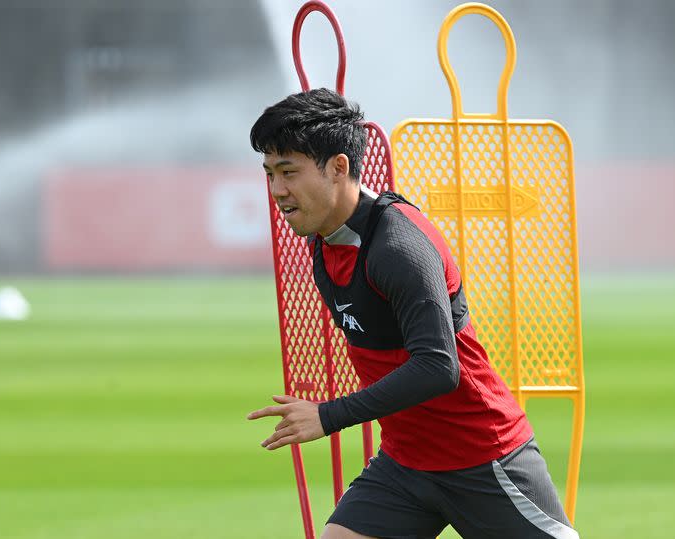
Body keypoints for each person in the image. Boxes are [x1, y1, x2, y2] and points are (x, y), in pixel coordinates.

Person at [247, 88, 578, 539]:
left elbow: (438, 367)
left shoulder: (399, 246)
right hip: (405, 464)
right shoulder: (321, 241)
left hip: (483, 456)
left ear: (339, 167)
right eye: (269, 174)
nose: (277, 191)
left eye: (288, 172)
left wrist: (328, 416)